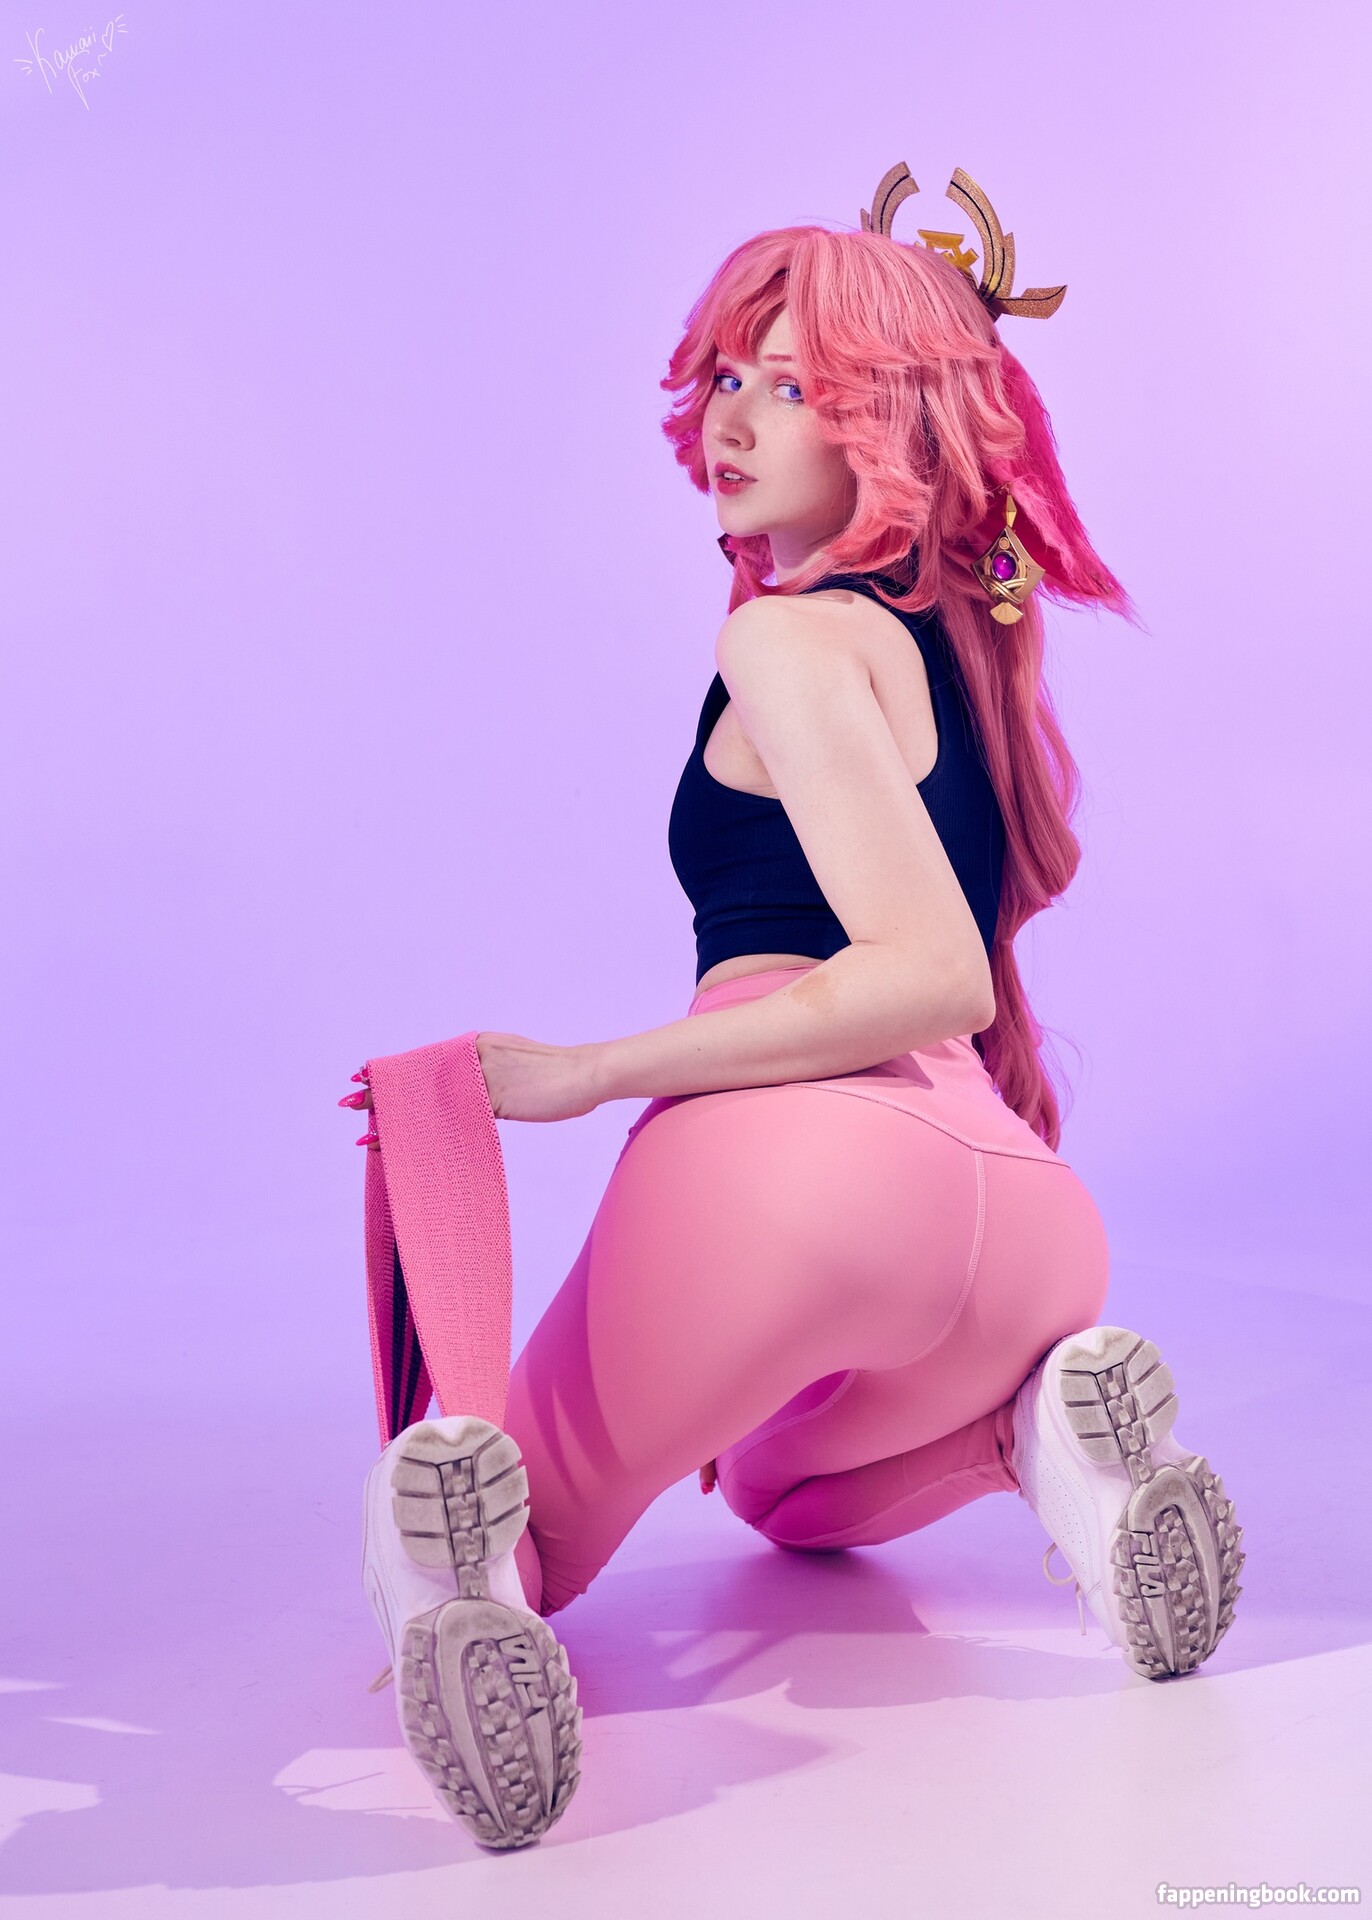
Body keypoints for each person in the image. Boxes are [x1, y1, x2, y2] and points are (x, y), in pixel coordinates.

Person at [341, 164, 1245, 1851]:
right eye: (727, 380)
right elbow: (964, 993)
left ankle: (454, 1601)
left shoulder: (787, 642)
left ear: (890, 424)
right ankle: (1043, 1436)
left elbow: (927, 970)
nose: (732, 420)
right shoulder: (954, 651)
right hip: (1021, 1223)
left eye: (793, 386)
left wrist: (591, 1071)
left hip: (790, 1191)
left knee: (497, 1521)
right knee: (773, 1487)